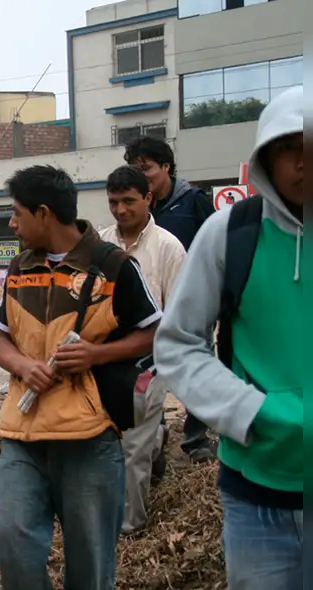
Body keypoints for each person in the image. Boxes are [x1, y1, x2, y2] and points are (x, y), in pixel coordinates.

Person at [154, 86, 303, 589]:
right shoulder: (229, 233)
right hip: (254, 493)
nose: (303, 161)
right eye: (289, 147)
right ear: (265, 156)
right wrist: (248, 411)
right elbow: (177, 342)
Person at [0, 165, 162, 590]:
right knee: (11, 541)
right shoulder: (18, 269)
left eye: (17, 214)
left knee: (90, 568)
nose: (12, 224)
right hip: (22, 434)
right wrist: (22, 365)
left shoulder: (113, 267)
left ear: (43, 213)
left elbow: (156, 332)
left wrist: (95, 354)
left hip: (89, 437)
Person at [99, 165, 187, 535]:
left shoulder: (167, 247)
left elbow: (178, 310)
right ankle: (156, 439)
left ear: (148, 198)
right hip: (103, 362)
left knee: (132, 450)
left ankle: (130, 527)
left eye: (129, 201)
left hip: (149, 364)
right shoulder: (100, 246)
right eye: (114, 202)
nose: (120, 210)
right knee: (110, 443)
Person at [123, 136, 216, 462]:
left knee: (195, 368)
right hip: (149, 310)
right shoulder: (139, 206)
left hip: (194, 303)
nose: (141, 174)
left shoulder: (193, 203)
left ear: (166, 167)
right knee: (148, 375)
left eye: (146, 168)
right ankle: (156, 438)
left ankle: (196, 439)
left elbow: (218, 247)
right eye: (135, 168)